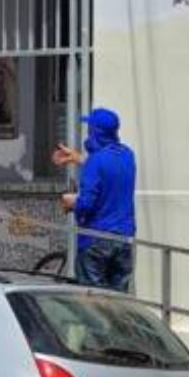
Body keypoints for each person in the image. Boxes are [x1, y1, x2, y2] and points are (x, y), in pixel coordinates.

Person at [53, 107, 137, 292]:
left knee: (92, 301)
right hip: (123, 239)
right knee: (117, 301)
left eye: (89, 129)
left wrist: (71, 202)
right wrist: (78, 158)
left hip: (96, 239)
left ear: (94, 132)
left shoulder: (95, 162)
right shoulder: (127, 156)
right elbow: (109, 171)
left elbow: (86, 205)